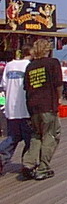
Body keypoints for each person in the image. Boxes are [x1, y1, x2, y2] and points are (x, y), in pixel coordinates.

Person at [22, 39, 62, 180]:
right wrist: (59, 98)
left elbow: (26, 88)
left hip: (33, 106)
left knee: (37, 135)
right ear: (47, 49)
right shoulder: (53, 63)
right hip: (47, 105)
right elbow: (58, 84)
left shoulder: (30, 66)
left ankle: (29, 163)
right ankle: (43, 168)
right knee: (51, 135)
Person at [0, 44, 32, 176]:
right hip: (25, 108)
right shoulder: (29, 66)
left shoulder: (10, 65)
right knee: (30, 138)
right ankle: (28, 163)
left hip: (11, 108)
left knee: (13, 137)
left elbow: (4, 85)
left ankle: (2, 157)